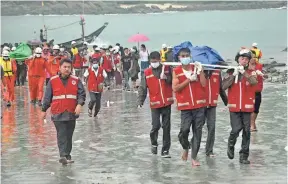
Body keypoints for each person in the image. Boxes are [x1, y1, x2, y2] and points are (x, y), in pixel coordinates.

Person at [41, 58, 86, 165]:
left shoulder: (76, 80)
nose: (66, 69)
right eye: (64, 67)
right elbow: (47, 97)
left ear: (71, 68)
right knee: (61, 134)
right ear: (60, 68)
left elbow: (82, 94)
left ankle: (67, 155)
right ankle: (63, 155)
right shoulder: (52, 81)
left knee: (69, 135)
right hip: (58, 112)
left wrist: (79, 105)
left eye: (68, 67)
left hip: (71, 112)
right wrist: (43, 110)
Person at [222, 49, 258, 164]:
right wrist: (233, 75)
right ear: (238, 59)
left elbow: (254, 82)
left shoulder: (251, 72)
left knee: (247, 131)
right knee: (236, 129)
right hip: (234, 107)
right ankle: (231, 144)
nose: (244, 61)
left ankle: (243, 155)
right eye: (242, 58)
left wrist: (244, 73)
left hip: (247, 108)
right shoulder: (231, 71)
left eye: (246, 59)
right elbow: (223, 87)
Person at [172, 48, 206, 166]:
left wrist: (201, 71)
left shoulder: (196, 68)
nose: (185, 57)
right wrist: (189, 80)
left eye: (187, 55)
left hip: (199, 106)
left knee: (198, 132)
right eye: (183, 56)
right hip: (185, 108)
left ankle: (194, 157)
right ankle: (186, 147)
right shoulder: (176, 71)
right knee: (184, 131)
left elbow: (204, 84)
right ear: (179, 58)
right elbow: (175, 88)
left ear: (190, 56)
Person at [138, 51, 174, 158]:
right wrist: (140, 101)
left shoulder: (167, 69)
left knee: (166, 127)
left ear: (160, 60)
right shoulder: (147, 72)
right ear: (150, 61)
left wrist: (166, 78)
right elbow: (143, 88)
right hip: (155, 104)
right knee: (155, 126)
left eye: (156, 61)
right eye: (152, 61)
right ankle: (154, 143)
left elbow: (174, 82)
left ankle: (165, 150)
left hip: (166, 103)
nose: (154, 63)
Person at [203, 69, 228, 157]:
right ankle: (193, 146)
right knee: (197, 127)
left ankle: (209, 150)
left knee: (212, 127)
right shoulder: (199, 70)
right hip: (200, 105)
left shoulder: (217, 72)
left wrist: (227, 102)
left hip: (212, 104)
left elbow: (220, 88)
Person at [249, 50, 267, 132]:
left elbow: (263, 76)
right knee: (250, 108)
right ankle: (252, 123)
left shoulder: (259, 66)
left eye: (254, 57)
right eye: (251, 57)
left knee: (256, 108)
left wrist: (263, 75)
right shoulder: (245, 67)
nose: (253, 58)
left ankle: (252, 122)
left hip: (258, 90)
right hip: (249, 91)